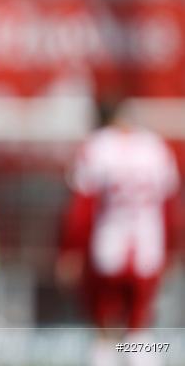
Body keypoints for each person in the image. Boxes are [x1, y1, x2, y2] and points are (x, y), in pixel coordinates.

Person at [57, 96, 180, 366]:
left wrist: (70, 249)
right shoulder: (156, 147)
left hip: (108, 246)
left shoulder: (97, 147)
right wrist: (171, 249)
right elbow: (169, 209)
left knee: (103, 327)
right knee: (139, 326)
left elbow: (81, 207)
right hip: (149, 246)